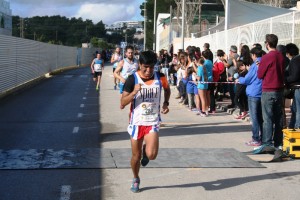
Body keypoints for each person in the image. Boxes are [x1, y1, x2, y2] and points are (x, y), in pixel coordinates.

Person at [121, 50, 171, 193]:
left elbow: (167, 89)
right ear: (140, 65)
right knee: (136, 157)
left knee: (151, 155)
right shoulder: (132, 79)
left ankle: (146, 149)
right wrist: (133, 93)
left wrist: (166, 103)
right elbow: (122, 102)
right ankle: (136, 178)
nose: (148, 71)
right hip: (136, 123)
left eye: (152, 67)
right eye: (145, 67)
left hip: (152, 122)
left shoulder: (160, 77)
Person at [257, 34, 285, 149]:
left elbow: (260, 75)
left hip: (268, 90)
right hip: (279, 90)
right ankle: (278, 143)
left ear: (267, 44)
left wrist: (260, 66)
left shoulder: (266, 57)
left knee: (267, 118)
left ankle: (267, 143)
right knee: (278, 118)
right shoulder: (281, 56)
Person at [237, 47, 263, 146]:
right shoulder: (262, 63)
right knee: (260, 117)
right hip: (261, 92)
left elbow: (248, 79)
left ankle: (256, 138)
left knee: (254, 117)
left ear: (253, 55)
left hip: (253, 93)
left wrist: (240, 79)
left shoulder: (254, 65)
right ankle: (262, 137)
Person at [285, 43, 300, 129]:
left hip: (297, 87)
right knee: (294, 109)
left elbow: (294, 76)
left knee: (297, 109)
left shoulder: (294, 60)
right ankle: (292, 127)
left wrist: (285, 80)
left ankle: (297, 128)